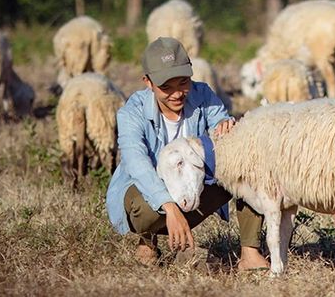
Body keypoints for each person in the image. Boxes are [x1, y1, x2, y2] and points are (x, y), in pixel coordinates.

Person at [106, 37, 269, 270]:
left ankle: (250, 253)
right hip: (151, 193)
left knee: (244, 162)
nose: (176, 94)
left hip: (194, 184)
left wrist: (225, 124)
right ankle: (147, 240)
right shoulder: (132, 113)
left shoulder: (202, 94)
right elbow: (136, 163)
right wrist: (169, 207)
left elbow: (220, 121)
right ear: (148, 82)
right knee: (144, 208)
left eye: (183, 82)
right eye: (166, 87)